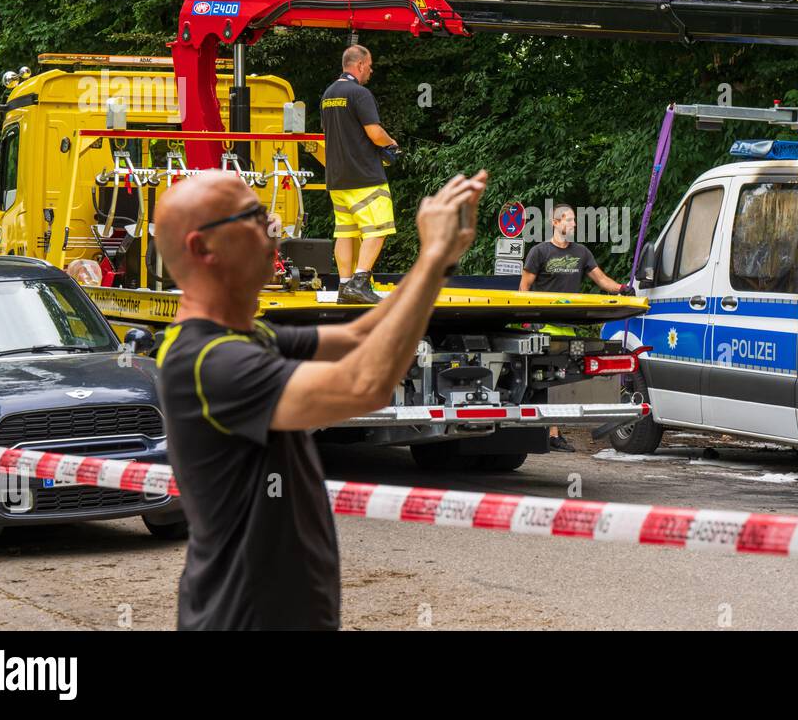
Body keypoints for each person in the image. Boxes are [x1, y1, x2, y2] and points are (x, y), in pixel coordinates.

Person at [153, 168, 487, 630]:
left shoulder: (245, 337)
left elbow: (360, 335)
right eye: (254, 217)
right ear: (202, 247)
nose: (274, 229)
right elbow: (364, 384)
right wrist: (429, 258)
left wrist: (440, 261)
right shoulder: (209, 361)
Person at [518, 203, 632, 452]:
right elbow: (524, 287)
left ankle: (551, 432)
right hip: (544, 327)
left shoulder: (581, 252)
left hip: (569, 329)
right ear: (555, 223)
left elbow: (601, 280)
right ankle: (548, 432)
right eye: (569, 220)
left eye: (574, 220)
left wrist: (622, 289)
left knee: (562, 380)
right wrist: (526, 318)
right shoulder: (539, 252)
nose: (574, 224)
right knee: (543, 380)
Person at [321, 44, 402, 304]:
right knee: (378, 228)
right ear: (359, 65)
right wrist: (392, 144)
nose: (371, 70)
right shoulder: (360, 93)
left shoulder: (328, 94)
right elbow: (374, 133)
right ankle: (359, 283)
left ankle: (344, 286)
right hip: (364, 176)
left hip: (337, 177)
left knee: (345, 232)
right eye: (369, 65)